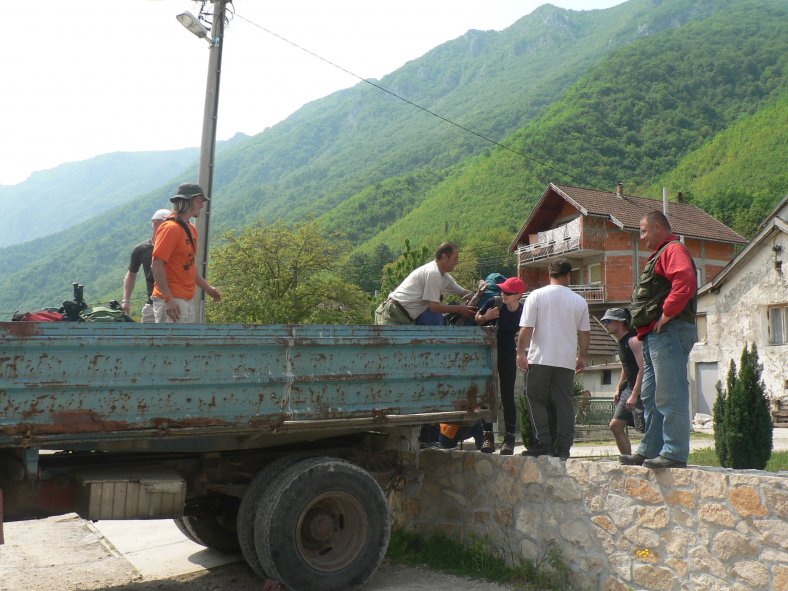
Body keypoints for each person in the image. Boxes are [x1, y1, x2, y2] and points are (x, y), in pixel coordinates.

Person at [621, 210, 697, 469]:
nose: (641, 238)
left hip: (670, 332)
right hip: (656, 336)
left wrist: (666, 314)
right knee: (651, 395)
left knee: (670, 393)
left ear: (657, 227)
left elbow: (685, 279)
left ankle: (675, 452)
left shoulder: (673, 250)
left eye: (643, 231)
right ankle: (650, 449)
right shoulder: (660, 255)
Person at [516, 259, 590, 460]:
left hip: (540, 358)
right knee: (565, 403)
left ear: (549, 274)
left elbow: (527, 329)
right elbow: (584, 333)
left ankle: (544, 443)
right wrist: (581, 357)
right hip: (566, 361)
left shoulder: (536, 296)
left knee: (535, 399)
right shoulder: (579, 301)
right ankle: (564, 447)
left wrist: (520, 352)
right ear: (568, 276)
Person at [151, 183, 222, 323]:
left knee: (186, 343)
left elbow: (189, 265)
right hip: (172, 300)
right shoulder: (170, 228)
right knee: (173, 344)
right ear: (187, 201)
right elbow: (157, 264)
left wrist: (208, 288)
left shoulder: (191, 229)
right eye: (199, 200)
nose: (202, 205)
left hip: (187, 299)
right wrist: (168, 298)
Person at [475, 276, 527, 455]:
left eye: (507, 292)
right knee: (487, 395)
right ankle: (487, 437)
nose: (503, 294)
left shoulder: (524, 310)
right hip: (488, 352)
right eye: (502, 290)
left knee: (507, 395)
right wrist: (486, 316)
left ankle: (509, 439)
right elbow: (477, 318)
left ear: (518, 296)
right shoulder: (494, 301)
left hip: (507, 352)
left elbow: (528, 330)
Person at [374, 242, 479, 326]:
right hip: (393, 314)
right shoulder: (433, 273)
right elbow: (434, 307)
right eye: (455, 258)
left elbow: (463, 292)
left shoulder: (444, 277)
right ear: (445, 258)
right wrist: (459, 309)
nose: (457, 262)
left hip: (403, 316)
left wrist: (481, 293)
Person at [600, 307, 645, 457]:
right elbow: (626, 367)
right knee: (615, 425)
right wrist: (619, 387)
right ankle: (627, 459)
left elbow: (642, 369)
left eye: (608, 321)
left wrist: (634, 394)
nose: (604, 324)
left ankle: (649, 458)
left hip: (641, 390)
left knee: (646, 430)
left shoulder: (634, 340)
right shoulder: (620, 342)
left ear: (620, 323)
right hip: (628, 389)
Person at [121, 208, 171, 322]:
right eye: (167, 223)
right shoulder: (141, 249)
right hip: (151, 305)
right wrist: (126, 300)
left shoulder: (175, 247)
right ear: (155, 223)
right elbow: (131, 275)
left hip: (172, 302)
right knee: (148, 338)